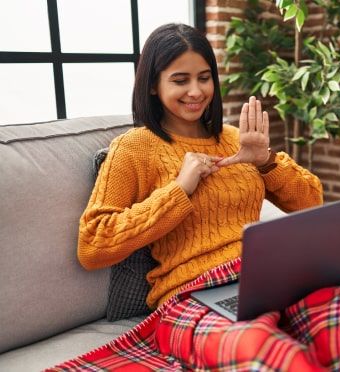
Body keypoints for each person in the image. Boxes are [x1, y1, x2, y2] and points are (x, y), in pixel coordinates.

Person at [77, 23, 323, 310]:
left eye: (204, 78)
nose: (196, 91)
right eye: (180, 80)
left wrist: (265, 160)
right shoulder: (134, 148)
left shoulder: (235, 139)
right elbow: (93, 245)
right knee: (265, 346)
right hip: (191, 296)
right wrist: (179, 189)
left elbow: (313, 204)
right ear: (154, 85)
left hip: (262, 278)